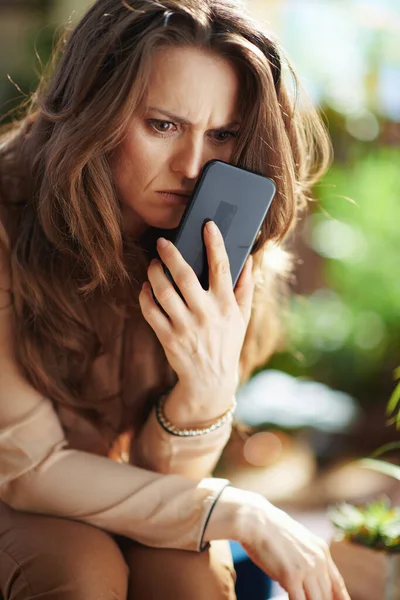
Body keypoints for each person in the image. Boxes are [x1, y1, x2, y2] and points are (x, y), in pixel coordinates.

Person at [0, 0, 351, 599]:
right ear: (94, 114)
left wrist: (206, 386)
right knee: (81, 571)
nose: (192, 167)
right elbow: (28, 471)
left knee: (188, 575)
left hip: (129, 489)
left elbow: (168, 478)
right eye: (163, 125)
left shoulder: (222, 247)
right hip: (17, 488)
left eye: (222, 134)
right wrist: (241, 510)